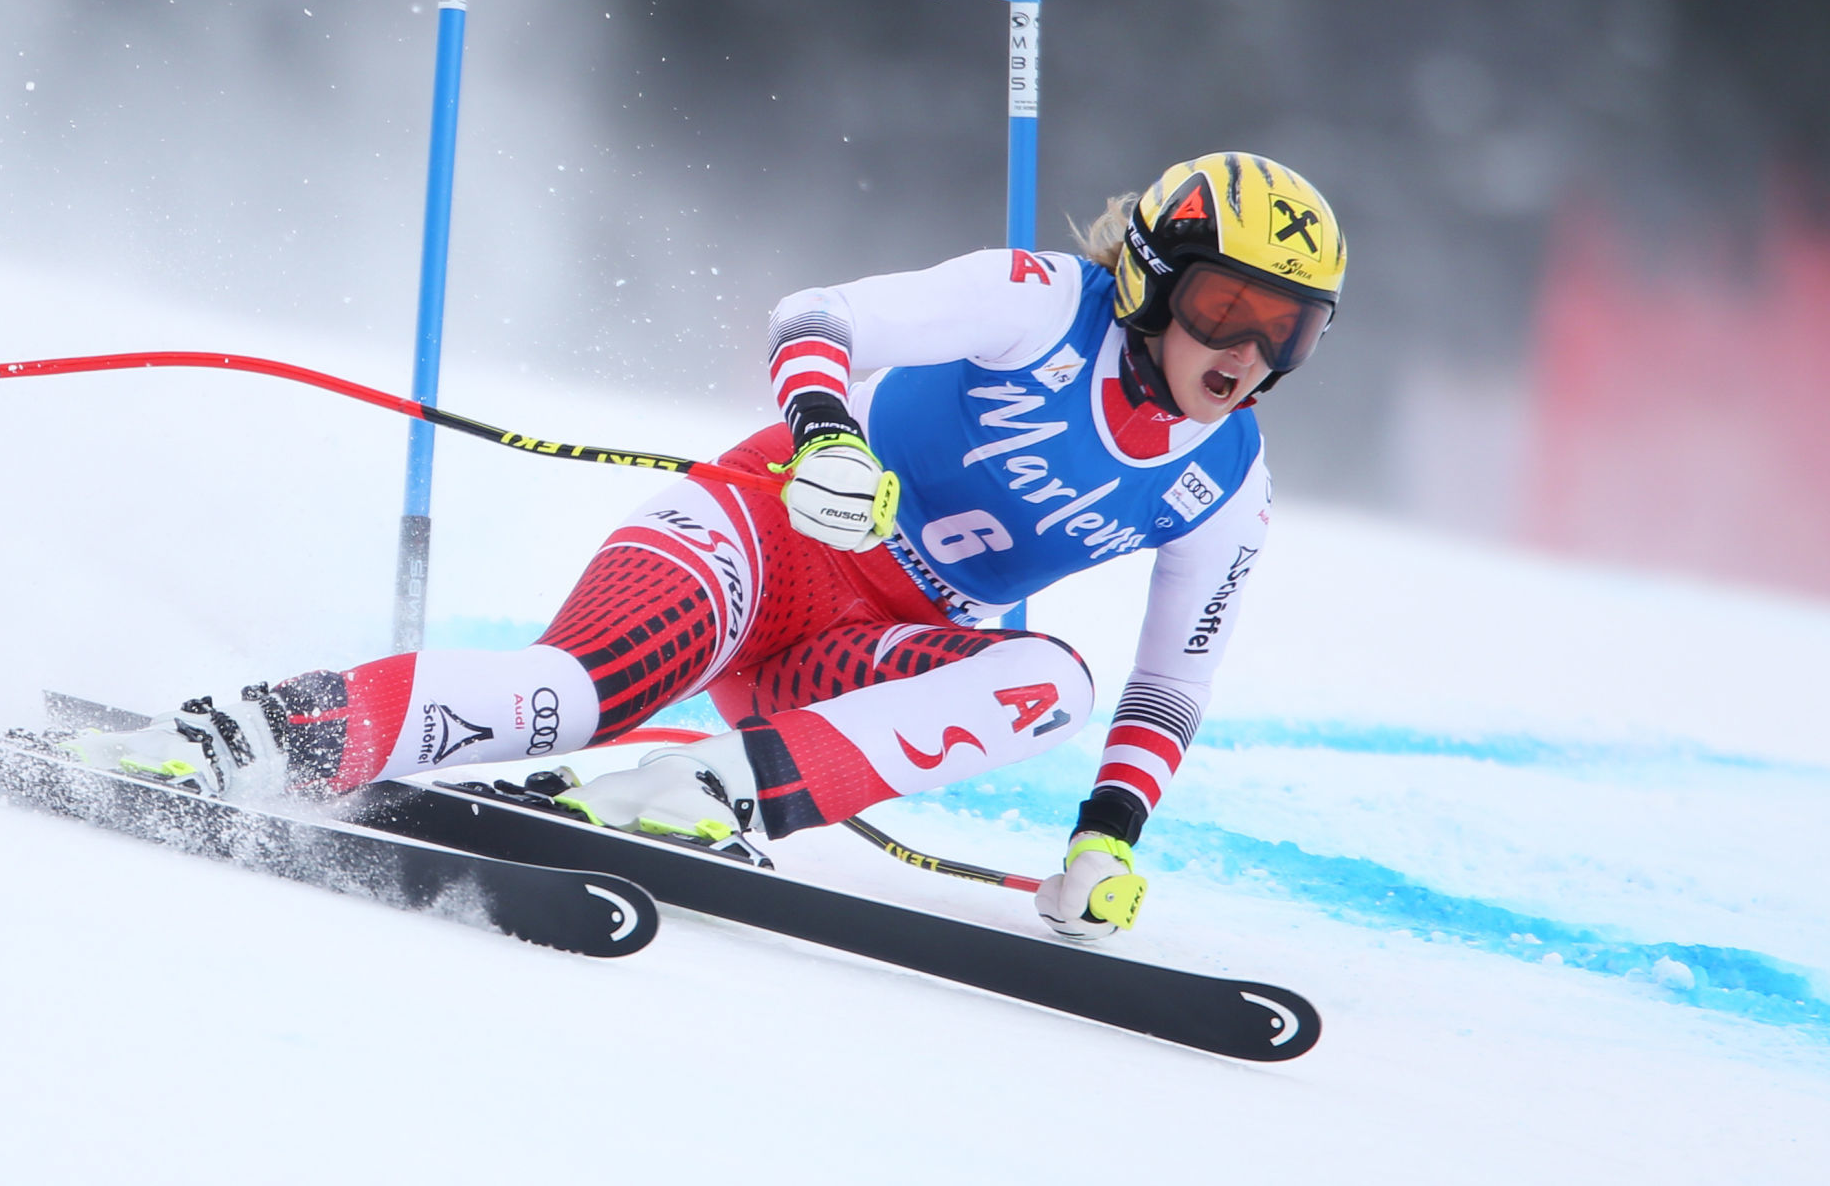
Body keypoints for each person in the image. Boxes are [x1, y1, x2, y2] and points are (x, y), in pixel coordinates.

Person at [80, 152, 1346, 941]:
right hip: (755, 536)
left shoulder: (1229, 484)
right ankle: (233, 736)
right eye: (1223, 305)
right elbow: (822, 316)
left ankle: (703, 793)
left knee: (1051, 679)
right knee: (568, 693)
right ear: (1144, 279)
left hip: (848, 657)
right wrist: (825, 437)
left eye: (1285, 331)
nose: (1244, 353)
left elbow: (1173, 678)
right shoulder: (1035, 303)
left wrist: (1107, 838)